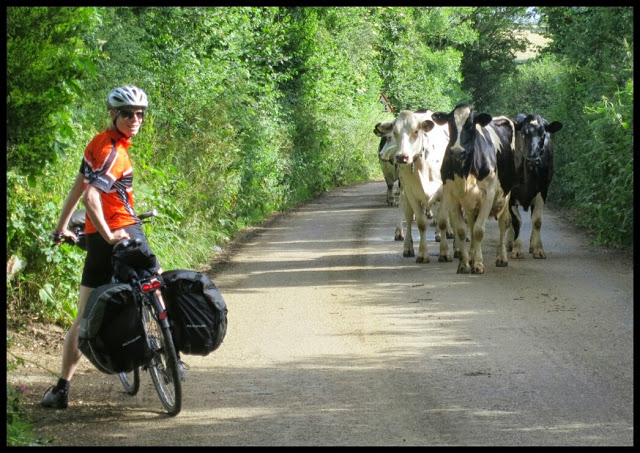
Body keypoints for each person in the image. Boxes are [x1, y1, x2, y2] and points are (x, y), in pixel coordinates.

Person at [42, 85, 178, 409]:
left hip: (99, 240)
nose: (136, 119)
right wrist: (109, 234)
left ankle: (62, 388)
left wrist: (61, 227)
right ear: (113, 114)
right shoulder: (114, 152)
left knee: (83, 318)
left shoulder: (97, 144)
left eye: (140, 113)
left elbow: (77, 188)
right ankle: (172, 355)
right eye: (128, 113)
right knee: (156, 280)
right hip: (122, 232)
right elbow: (89, 197)